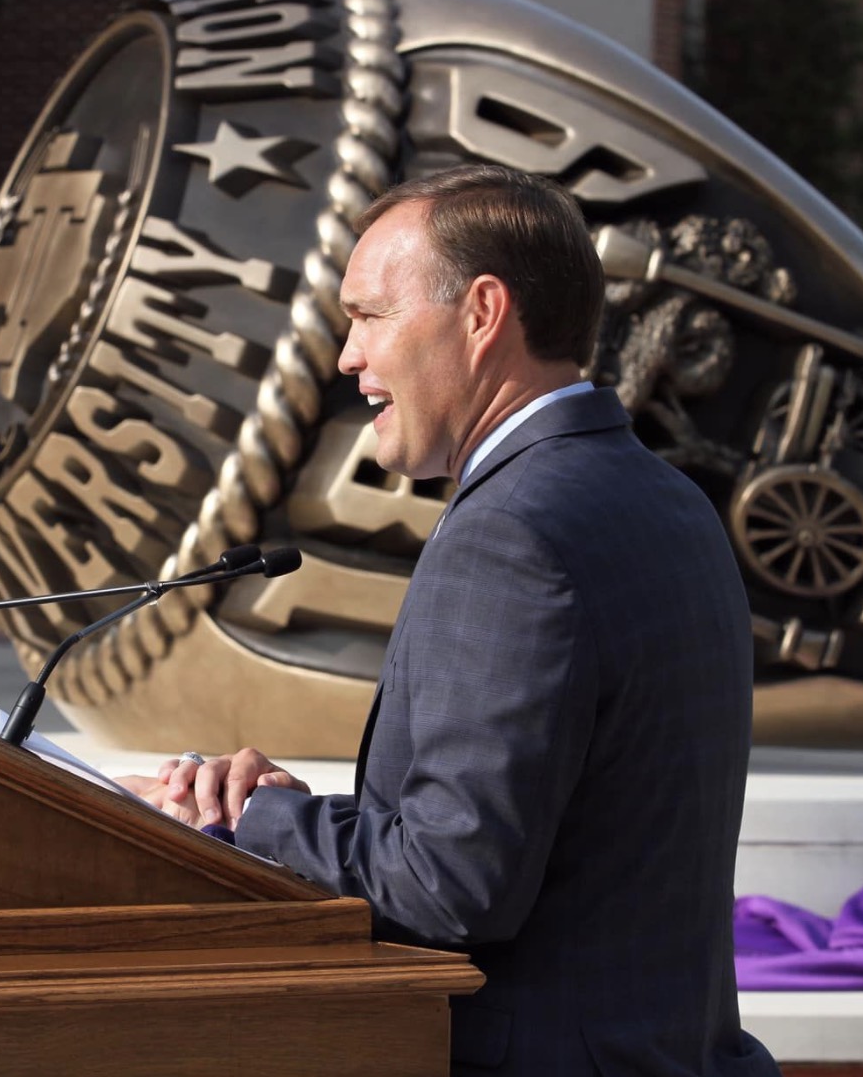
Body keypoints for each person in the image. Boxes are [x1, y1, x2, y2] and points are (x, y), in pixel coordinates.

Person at [130, 166, 779, 1076]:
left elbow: (453, 888)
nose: (348, 356)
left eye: (369, 316)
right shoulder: (669, 500)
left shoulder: (510, 534)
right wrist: (299, 815)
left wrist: (259, 822)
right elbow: (539, 833)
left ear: (481, 314)